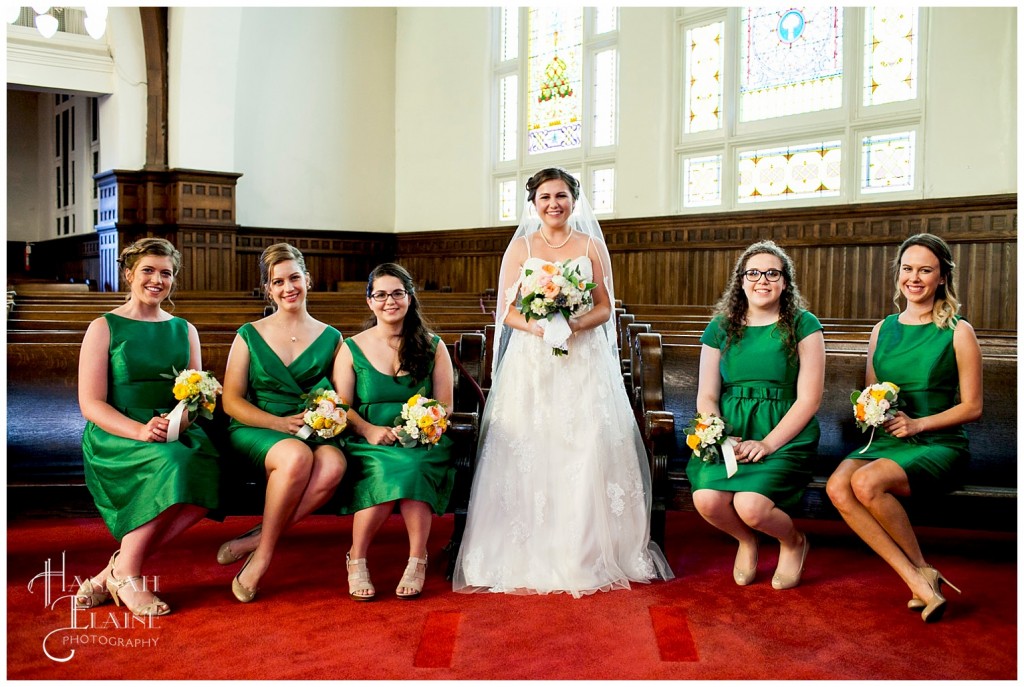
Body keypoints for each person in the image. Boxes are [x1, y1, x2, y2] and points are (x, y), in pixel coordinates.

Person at [452, 167, 673, 597]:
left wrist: (571, 322)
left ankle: (583, 550)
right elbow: (508, 311)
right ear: (533, 203)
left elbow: (606, 307)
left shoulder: (590, 245)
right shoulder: (521, 246)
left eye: (561, 196)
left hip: (583, 360)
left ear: (574, 200)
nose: (553, 204)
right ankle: (526, 549)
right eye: (544, 197)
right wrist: (538, 327)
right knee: (533, 446)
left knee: (585, 445)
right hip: (533, 362)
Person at [826, 233, 982, 622]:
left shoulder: (958, 331)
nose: (914, 278)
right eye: (908, 269)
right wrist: (870, 410)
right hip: (888, 440)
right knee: (836, 487)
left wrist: (919, 424)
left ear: (942, 277)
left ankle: (920, 575)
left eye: (925, 270)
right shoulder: (883, 329)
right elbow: (871, 393)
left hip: (938, 442)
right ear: (899, 274)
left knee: (865, 484)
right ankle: (917, 576)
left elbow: (973, 407)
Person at [76, 238, 220, 617]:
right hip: (118, 431)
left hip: (174, 429)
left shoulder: (184, 329)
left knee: (209, 484)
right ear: (129, 274)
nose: (157, 280)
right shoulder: (103, 327)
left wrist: (177, 422)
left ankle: (114, 570)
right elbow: (90, 403)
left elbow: (196, 395)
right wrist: (140, 431)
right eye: (148, 271)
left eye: (166, 273)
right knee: (172, 465)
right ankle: (130, 575)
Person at [685, 241, 825, 590]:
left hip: (783, 431)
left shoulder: (803, 324)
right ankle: (747, 541)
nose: (762, 280)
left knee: (752, 506)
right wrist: (717, 435)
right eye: (753, 273)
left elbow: (809, 399)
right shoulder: (720, 327)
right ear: (741, 281)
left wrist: (768, 443)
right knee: (707, 499)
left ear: (785, 282)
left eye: (772, 273)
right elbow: (707, 394)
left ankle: (793, 541)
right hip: (730, 429)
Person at [218, 243, 347, 603]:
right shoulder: (249, 334)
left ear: (308, 280)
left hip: (311, 428)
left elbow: (339, 397)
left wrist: (325, 417)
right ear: (269, 289)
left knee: (334, 465)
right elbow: (231, 401)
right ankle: (262, 556)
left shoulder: (332, 337)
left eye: (294, 278)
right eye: (279, 281)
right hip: (258, 427)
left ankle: (257, 538)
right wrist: (276, 424)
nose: (288, 287)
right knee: (294, 457)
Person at [332, 263, 455, 601]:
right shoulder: (350, 347)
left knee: (413, 466)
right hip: (368, 440)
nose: (390, 301)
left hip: (422, 441)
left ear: (410, 298)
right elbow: (341, 407)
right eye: (381, 295)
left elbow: (445, 405)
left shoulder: (433, 345)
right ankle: (357, 558)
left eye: (398, 293)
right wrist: (369, 429)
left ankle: (417, 559)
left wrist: (421, 426)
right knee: (385, 468)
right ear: (369, 301)